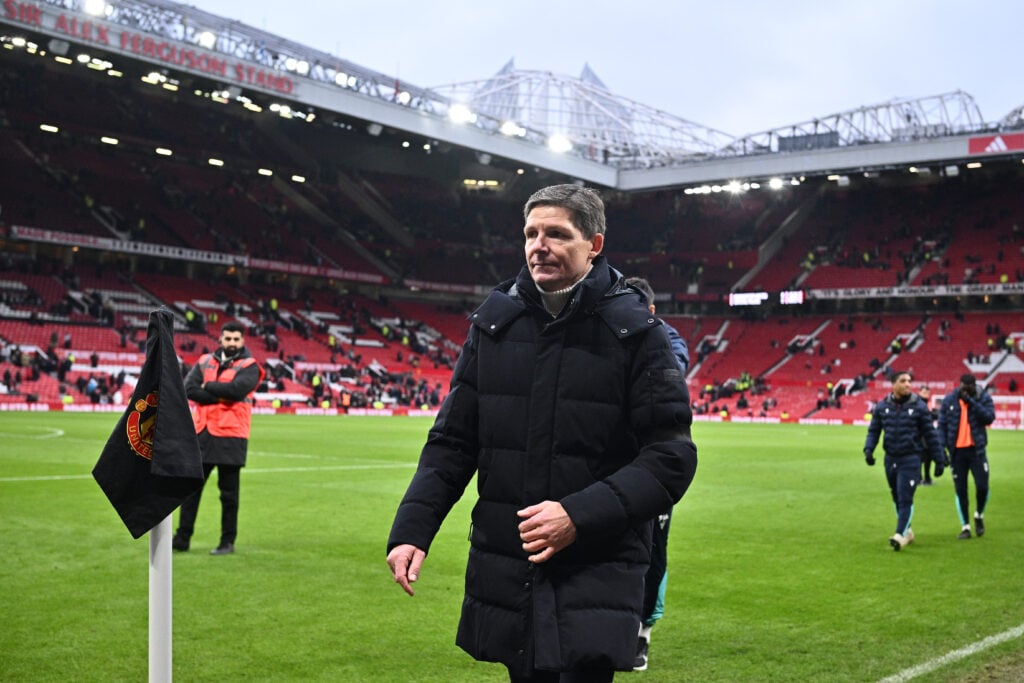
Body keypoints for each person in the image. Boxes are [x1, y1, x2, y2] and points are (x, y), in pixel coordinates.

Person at [386, 184, 698, 682]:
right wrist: (411, 530)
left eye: (557, 234)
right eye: (531, 233)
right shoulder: (493, 326)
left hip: (595, 569)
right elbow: (452, 442)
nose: (539, 246)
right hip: (509, 567)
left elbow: (670, 459)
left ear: (593, 245)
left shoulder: (638, 333)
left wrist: (577, 515)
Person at [623, 276, 689, 673]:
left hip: (654, 467)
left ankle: (642, 632)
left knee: (653, 551)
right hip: (615, 464)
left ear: (649, 312)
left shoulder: (668, 342)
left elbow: (670, 373)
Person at [173, 321, 264, 555]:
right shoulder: (205, 361)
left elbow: (237, 391)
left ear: (242, 341)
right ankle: (182, 538)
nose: (232, 342)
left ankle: (227, 542)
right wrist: (220, 395)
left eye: (236, 339)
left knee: (229, 495)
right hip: (202, 433)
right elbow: (188, 389)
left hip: (231, 435)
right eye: (228, 338)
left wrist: (208, 386)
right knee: (191, 491)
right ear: (220, 339)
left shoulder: (250, 365)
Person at [863, 370, 944, 551]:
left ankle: (899, 534)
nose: (908, 384)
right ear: (894, 384)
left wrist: (939, 459)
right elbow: (874, 430)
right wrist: (868, 450)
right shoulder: (882, 406)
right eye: (903, 381)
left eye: (909, 381)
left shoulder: (919, 407)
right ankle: (908, 531)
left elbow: (930, 434)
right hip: (890, 459)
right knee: (896, 496)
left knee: (905, 496)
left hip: (911, 459)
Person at [936, 374, 995, 539]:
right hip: (957, 453)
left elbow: (989, 418)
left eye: (969, 388)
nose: (965, 390)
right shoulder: (949, 400)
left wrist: (971, 402)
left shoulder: (983, 398)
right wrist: (941, 448)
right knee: (960, 489)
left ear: (974, 386)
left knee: (982, 486)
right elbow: (942, 425)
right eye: (963, 387)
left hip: (977, 451)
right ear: (960, 385)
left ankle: (979, 515)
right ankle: (966, 527)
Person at [917, 385, 938, 485]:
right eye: (924, 392)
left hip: (926, 433)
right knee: (922, 455)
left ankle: (926, 477)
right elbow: (925, 416)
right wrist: (933, 415)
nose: (926, 394)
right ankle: (921, 477)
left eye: (927, 393)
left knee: (928, 455)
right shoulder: (918, 403)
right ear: (919, 392)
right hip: (919, 434)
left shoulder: (926, 403)